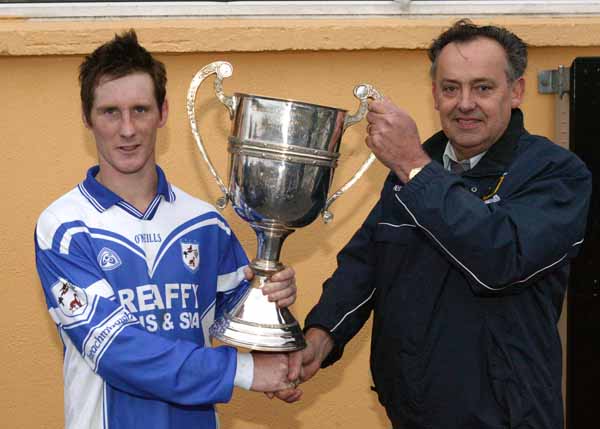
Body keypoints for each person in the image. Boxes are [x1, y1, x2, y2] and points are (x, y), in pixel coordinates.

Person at [279, 19, 593, 428]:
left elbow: (501, 260)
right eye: (450, 88)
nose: (464, 103)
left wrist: (414, 166)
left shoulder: (555, 173)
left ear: (515, 91)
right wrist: (321, 338)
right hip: (411, 412)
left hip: (509, 416)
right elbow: (367, 263)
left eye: (483, 88)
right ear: (435, 94)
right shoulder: (413, 173)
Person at [34, 30, 299, 429]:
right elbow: (117, 351)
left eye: (140, 109)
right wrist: (245, 372)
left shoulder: (205, 224)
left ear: (163, 112)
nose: (127, 129)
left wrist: (276, 299)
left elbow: (247, 323)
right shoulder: (65, 227)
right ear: (87, 117)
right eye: (110, 112)